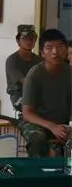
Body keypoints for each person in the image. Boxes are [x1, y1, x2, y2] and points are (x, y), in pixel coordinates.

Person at [20, 29, 71, 157]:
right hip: (37, 122)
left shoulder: (70, 73)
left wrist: (69, 127)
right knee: (37, 139)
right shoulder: (35, 74)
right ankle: (37, 169)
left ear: (66, 50)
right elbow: (27, 113)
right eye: (49, 48)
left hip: (62, 122)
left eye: (60, 46)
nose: (55, 51)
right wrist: (52, 126)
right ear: (42, 53)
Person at [5, 25, 42, 112]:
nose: (29, 41)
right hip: (19, 94)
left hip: (37, 93)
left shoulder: (39, 60)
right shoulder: (12, 60)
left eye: (32, 39)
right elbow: (24, 81)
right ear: (18, 41)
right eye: (25, 38)